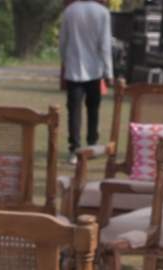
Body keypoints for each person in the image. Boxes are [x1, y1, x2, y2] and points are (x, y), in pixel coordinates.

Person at [59, 0, 113, 155]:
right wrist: (109, 72)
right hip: (95, 70)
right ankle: (92, 144)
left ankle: (74, 148)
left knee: (74, 111)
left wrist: (65, 62)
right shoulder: (102, 12)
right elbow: (105, 45)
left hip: (74, 70)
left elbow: (62, 42)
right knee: (93, 109)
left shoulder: (70, 11)